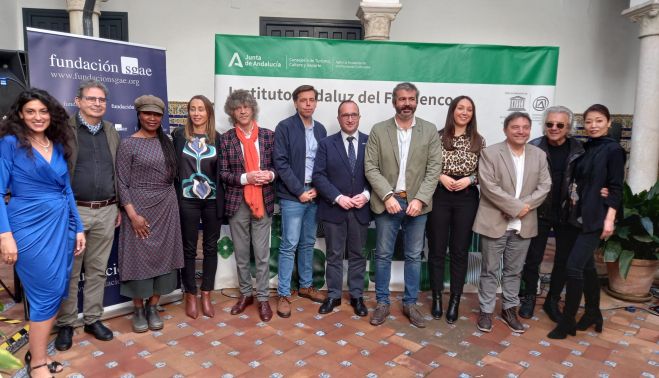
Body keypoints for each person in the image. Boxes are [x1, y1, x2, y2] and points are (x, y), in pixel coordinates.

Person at [0, 88, 85, 378]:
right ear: (20, 115)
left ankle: (34, 353)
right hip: (28, 226)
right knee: (45, 292)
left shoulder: (57, 144)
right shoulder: (10, 144)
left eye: (43, 111)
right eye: (31, 112)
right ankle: (37, 363)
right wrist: (5, 235)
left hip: (62, 224)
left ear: (52, 114)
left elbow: (66, 189)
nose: (38, 117)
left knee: (57, 289)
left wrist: (78, 227)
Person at [364, 82, 442, 328]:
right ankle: (383, 302)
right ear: (394, 102)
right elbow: (371, 167)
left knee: (413, 256)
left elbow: (433, 169)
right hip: (388, 201)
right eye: (402, 99)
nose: (406, 103)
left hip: (418, 204)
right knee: (384, 255)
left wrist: (420, 199)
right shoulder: (379, 130)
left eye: (411, 99)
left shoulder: (429, 131)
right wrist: (387, 196)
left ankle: (410, 303)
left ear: (417, 101)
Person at [547, 104, 625, 339]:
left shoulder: (614, 150)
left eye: (599, 121)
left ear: (609, 123)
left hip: (594, 217)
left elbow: (616, 187)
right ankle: (592, 312)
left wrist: (609, 219)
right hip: (574, 215)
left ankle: (568, 321)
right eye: (589, 121)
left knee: (574, 268)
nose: (593, 126)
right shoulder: (585, 146)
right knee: (588, 268)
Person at [54, 80, 119, 352]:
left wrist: (118, 206)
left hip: (107, 210)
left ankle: (93, 319)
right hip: (74, 211)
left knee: (97, 270)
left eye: (102, 100)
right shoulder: (64, 131)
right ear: (78, 101)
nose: (97, 103)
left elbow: (118, 171)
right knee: (70, 271)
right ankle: (66, 324)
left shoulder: (110, 131)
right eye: (92, 99)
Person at [473, 112, 550, 333]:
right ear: (506, 129)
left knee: (514, 271)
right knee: (489, 270)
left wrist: (521, 208)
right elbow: (488, 186)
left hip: (524, 223)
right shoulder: (490, 153)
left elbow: (544, 186)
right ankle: (486, 311)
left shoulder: (538, 155)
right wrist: (515, 208)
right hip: (495, 221)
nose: (521, 131)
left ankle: (509, 309)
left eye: (525, 127)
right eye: (515, 127)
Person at [116, 95, 183, 333]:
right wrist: (133, 215)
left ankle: (153, 306)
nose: (152, 118)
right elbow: (122, 183)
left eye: (156, 115)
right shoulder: (128, 144)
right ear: (139, 115)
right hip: (138, 207)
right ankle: (137, 309)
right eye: (147, 114)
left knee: (164, 257)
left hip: (166, 205)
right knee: (138, 259)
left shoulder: (167, 141)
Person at [518, 106, 584, 321]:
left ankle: (552, 299)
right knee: (532, 258)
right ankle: (528, 296)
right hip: (539, 211)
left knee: (563, 260)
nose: (554, 128)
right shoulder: (533, 146)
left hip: (568, 212)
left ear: (569, 127)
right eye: (549, 124)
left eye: (560, 125)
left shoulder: (580, 150)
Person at [426, 95, 485, 323]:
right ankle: (438, 298)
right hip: (440, 195)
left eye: (469, 109)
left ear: (472, 114)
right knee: (437, 250)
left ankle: (455, 301)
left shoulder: (479, 140)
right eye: (460, 108)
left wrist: (470, 180)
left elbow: (484, 172)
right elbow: (426, 165)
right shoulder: (438, 137)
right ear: (452, 111)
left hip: (466, 198)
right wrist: (440, 176)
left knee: (460, 251)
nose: (464, 112)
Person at [220, 90, 276, 322]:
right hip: (237, 202)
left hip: (263, 200)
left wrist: (269, 176)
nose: (242, 111)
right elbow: (223, 173)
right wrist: (246, 178)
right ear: (232, 112)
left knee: (262, 254)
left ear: (253, 109)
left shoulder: (268, 136)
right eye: (237, 107)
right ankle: (246, 294)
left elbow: (278, 167)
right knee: (242, 254)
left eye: (246, 106)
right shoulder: (226, 139)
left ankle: (263, 298)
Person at [312, 100, 370, 317]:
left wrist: (366, 195)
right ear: (339, 118)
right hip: (334, 209)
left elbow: (377, 173)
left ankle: (357, 296)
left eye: (354, 114)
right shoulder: (327, 143)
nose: (350, 118)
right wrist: (337, 197)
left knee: (357, 254)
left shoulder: (369, 142)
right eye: (345, 115)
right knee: (334, 254)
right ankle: (334, 295)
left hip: (360, 209)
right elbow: (318, 175)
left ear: (359, 117)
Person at [274, 84, 327, 318]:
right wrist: (299, 191)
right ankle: (284, 293)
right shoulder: (284, 127)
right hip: (293, 196)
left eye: (312, 100)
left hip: (315, 194)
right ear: (295, 102)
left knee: (307, 243)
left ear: (316, 103)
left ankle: (306, 286)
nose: (308, 103)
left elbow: (324, 163)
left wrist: (317, 188)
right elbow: (281, 163)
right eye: (303, 100)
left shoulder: (322, 129)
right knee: (289, 245)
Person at [172, 95, 224, 319]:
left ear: (208, 113)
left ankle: (206, 294)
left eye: (201, 109)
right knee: (189, 248)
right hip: (187, 199)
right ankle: (190, 294)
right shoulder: (178, 136)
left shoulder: (218, 139)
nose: (196, 113)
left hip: (212, 200)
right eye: (192, 109)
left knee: (211, 248)